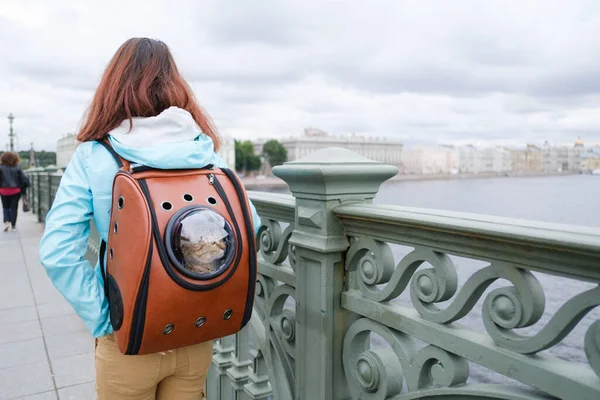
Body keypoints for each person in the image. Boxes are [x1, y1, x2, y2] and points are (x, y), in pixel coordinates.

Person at [38, 37, 261, 400]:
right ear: (175, 85)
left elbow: (57, 252)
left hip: (131, 337)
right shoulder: (202, 151)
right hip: (195, 328)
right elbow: (249, 226)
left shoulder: (97, 155)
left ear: (113, 87)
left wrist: (107, 319)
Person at [0, 151, 29, 231]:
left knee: (5, 207)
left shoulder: (1, 167)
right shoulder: (17, 167)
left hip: (3, 190)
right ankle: (13, 225)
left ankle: (6, 222)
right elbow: (23, 179)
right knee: (14, 207)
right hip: (15, 190)